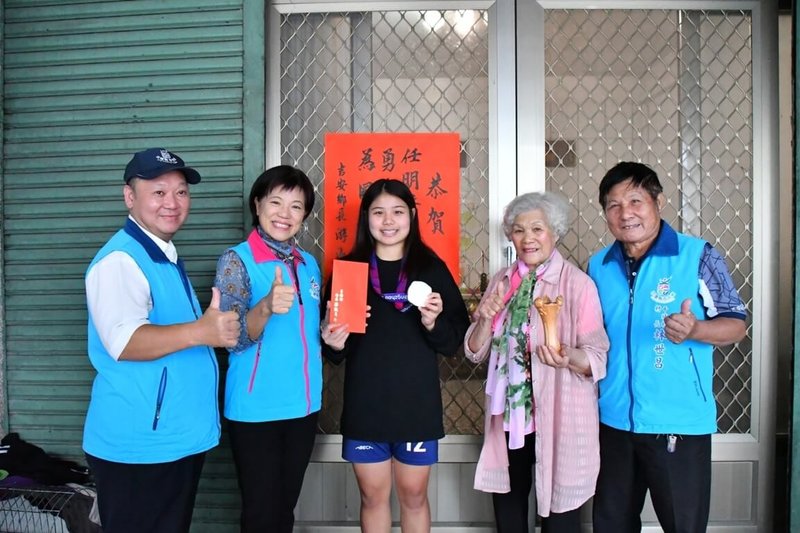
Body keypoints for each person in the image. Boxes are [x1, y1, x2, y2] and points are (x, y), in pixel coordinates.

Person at [83, 147, 241, 533]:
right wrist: (203, 331)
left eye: (181, 192)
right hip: (140, 448)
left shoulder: (162, 255)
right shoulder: (120, 261)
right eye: (158, 191)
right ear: (129, 196)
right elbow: (124, 342)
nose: (172, 202)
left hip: (171, 442)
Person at [588, 161, 748, 533]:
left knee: (682, 525)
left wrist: (696, 330)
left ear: (657, 202)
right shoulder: (599, 265)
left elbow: (736, 324)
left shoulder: (698, 256)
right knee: (610, 524)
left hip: (677, 424)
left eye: (635, 201)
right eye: (613, 205)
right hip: (614, 422)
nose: (625, 213)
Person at [321, 179, 470, 532]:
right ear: (366, 218)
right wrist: (333, 340)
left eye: (398, 211)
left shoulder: (431, 269)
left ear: (412, 215)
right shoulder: (348, 269)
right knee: (372, 497)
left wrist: (433, 323)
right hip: (366, 404)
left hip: (416, 404)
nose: (388, 221)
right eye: (378, 212)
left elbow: (456, 342)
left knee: (414, 496)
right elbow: (334, 352)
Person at [464, 192, 609, 533]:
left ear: (554, 233)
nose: (527, 238)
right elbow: (474, 352)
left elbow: (597, 357)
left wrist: (569, 357)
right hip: (510, 418)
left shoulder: (577, 285)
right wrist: (484, 320)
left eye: (537, 229)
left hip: (559, 415)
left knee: (559, 517)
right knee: (509, 512)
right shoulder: (502, 281)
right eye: (518, 230)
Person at [213, 165, 322, 533]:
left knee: (285, 509)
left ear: (304, 215)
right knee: (260, 512)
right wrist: (264, 307)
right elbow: (230, 337)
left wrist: (331, 334)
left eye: (296, 206)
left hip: (304, 406)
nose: (284, 214)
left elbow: (305, 332)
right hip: (256, 409)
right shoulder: (236, 260)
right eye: (275, 202)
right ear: (257, 204)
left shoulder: (309, 265)